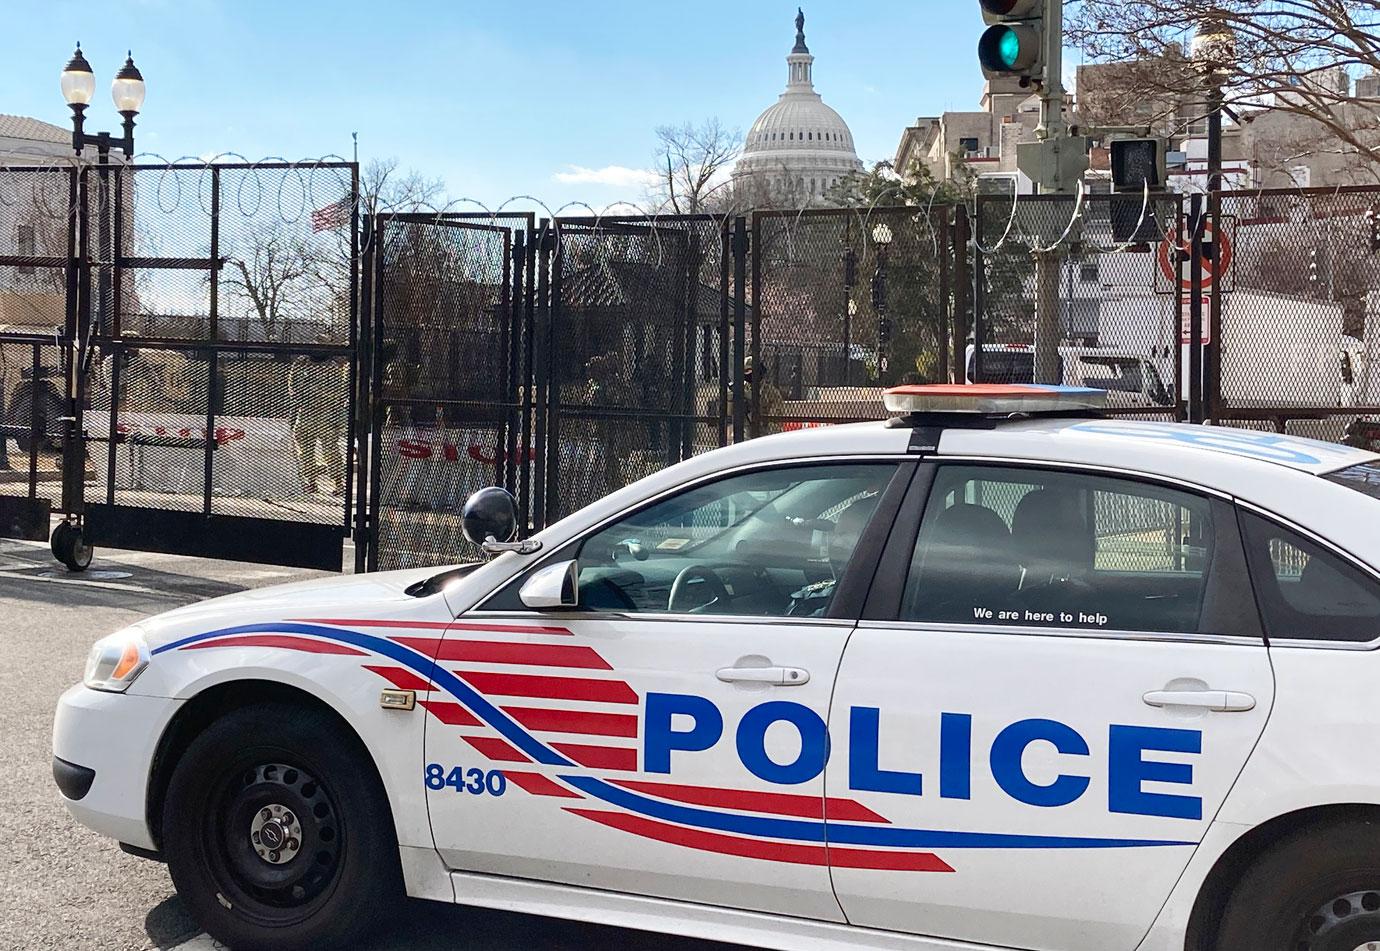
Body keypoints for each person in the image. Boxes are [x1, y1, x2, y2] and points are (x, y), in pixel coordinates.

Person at [288, 343, 347, 496]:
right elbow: (293, 387)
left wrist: (318, 395)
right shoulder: (302, 364)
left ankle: (338, 483)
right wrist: (303, 399)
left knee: (330, 450)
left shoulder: (331, 367)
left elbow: (338, 392)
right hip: (307, 413)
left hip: (325, 414)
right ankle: (312, 482)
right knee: (306, 451)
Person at [743, 355, 785, 436]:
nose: (747, 374)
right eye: (745, 371)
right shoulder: (742, 388)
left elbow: (776, 415)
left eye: (749, 370)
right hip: (746, 430)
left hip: (765, 431)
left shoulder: (770, 391)